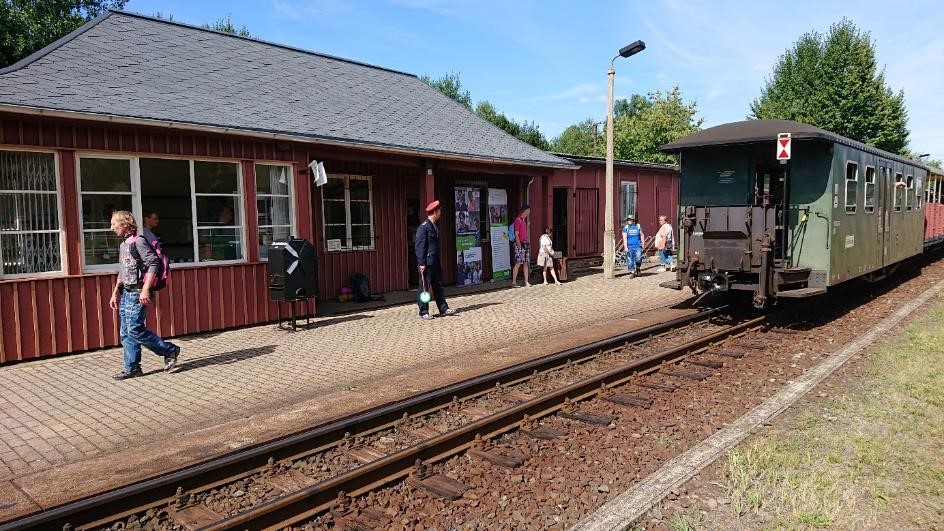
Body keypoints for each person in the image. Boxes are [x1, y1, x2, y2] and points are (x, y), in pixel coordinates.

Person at [108, 210, 180, 380]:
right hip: (126, 292)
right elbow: (123, 272)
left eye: (114, 224)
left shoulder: (139, 242)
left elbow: (153, 263)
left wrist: (146, 289)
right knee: (126, 332)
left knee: (134, 329)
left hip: (138, 292)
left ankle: (169, 350)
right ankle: (132, 367)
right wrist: (115, 294)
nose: (112, 228)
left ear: (125, 225)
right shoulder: (123, 245)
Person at [415, 200, 458, 320]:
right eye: (439, 211)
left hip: (435, 262)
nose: (440, 213)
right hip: (426, 263)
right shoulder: (423, 228)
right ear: (435, 212)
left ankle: (443, 308)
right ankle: (424, 311)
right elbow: (419, 246)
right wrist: (421, 263)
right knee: (424, 287)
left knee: (439, 286)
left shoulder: (433, 226)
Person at [510, 204, 531, 287]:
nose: (529, 212)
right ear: (525, 211)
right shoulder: (518, 220)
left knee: (525, 263)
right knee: (518, 263)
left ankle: (526, 282)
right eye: (529, 210)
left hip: (525, 243)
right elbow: (516, 234)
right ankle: (514, 282)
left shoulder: (524, 220)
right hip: (520, 244)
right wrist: (519, 246)